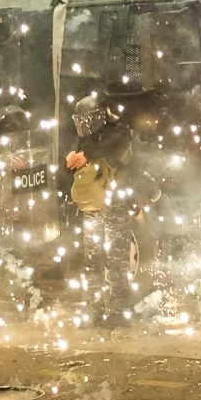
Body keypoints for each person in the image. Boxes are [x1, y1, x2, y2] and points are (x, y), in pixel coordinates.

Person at [64, 93, 156, 329]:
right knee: (92, 260)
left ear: (99, 118)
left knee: (116, 260)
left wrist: (86, 154)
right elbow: (73, 168)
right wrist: (71, 160)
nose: (83, 127)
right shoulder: (84, 140)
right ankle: (94, 309)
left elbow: (110, 147)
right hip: (93, 207)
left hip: (116, 204)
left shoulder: (119, 132)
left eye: (87, 121)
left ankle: (119, 310)